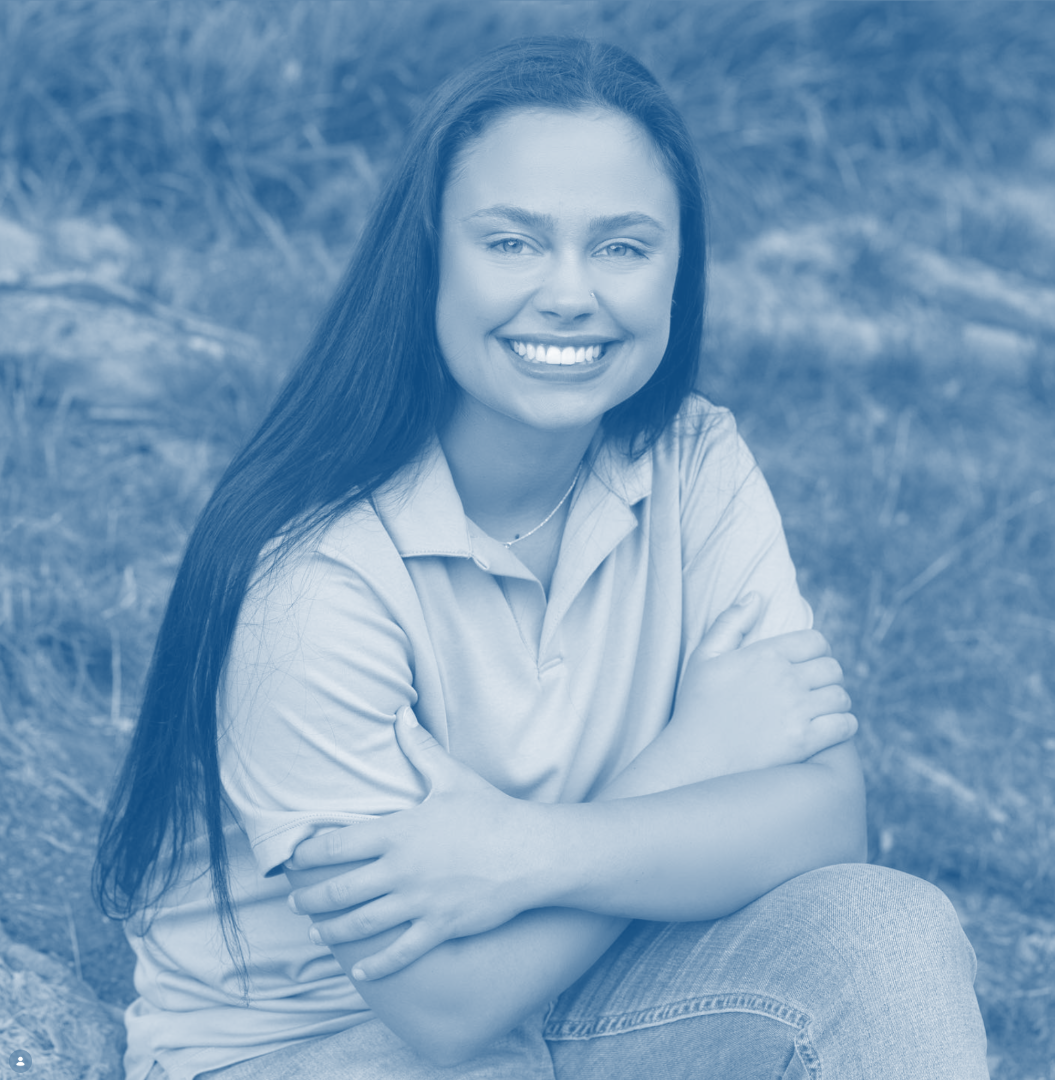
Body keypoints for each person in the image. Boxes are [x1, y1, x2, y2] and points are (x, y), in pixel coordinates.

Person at [94, 37, 989, 1080]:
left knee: (886, 932)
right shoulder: (312, 580)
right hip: (323, 1049)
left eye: (622, 246)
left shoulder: (694, 464)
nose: (571, 294)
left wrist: (521, 851)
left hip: (594, 1006)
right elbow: (442, 1003)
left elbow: (830, 817)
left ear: (677, 269)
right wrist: (698, 759)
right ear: (430, 253)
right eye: (513, 243)